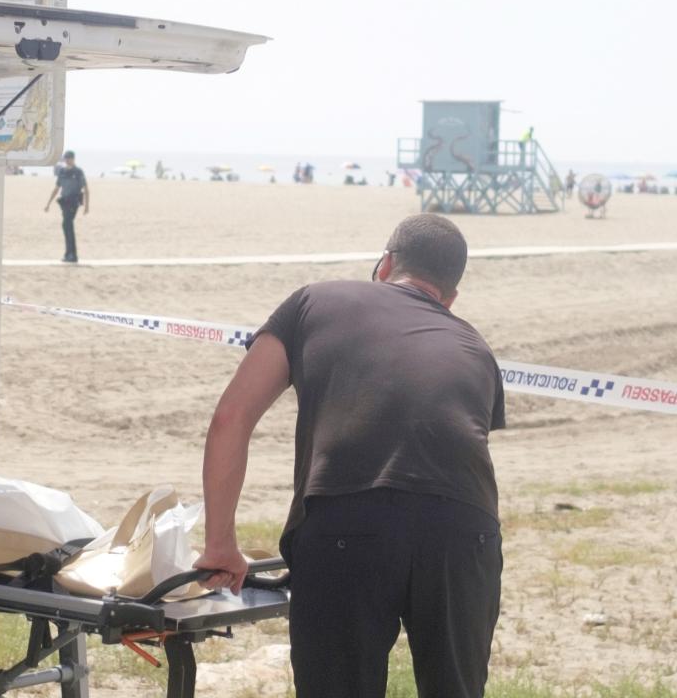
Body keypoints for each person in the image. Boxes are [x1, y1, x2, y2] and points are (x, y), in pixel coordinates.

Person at [196, 214, 506, 698]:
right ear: (449, 297)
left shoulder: (314, 300)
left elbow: (230, 419)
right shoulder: (476, 347)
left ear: (384, 264)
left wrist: (221, 543)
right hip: (465, 531)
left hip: (348, 518)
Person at [44, 150, 89, 263]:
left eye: (69, 158)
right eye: (66, 158)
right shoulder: (62, 171)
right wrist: (48, 203)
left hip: (74, 202)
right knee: (66, 227)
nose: (67, 160)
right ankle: (69, 254)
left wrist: (86, 206)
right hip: (64, 202)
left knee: (67, 225)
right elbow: (57, 188)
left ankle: (72, 255)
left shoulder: (78, 172)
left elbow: (86, 189)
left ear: (73, 159)